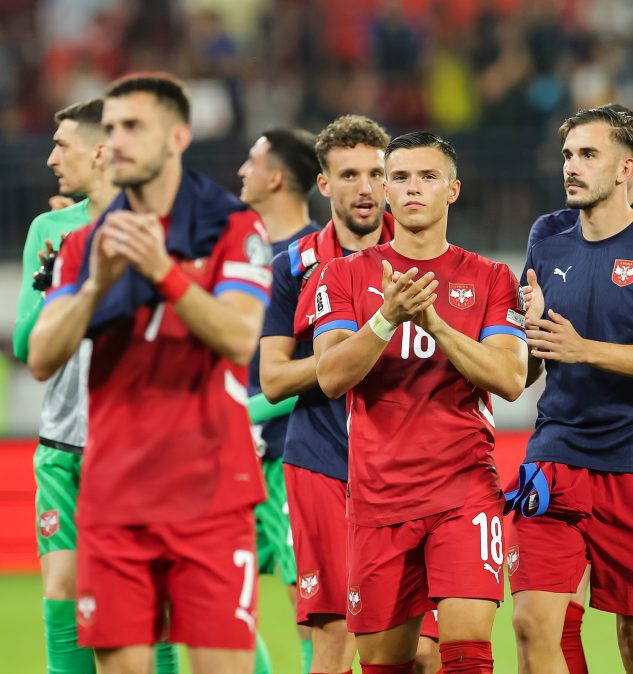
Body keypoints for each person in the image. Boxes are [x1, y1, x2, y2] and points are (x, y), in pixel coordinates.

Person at [28, 73, 271, 674]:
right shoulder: (87, 244)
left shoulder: (232, 227)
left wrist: (162, 270)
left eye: (134, 126)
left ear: (177, 136)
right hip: (114, 499)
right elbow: (40, 356)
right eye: (111, 129)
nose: (118, 141)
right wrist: (95, 286)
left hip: (210, 494)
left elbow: (239, 336)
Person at [312, 131, 528, 674]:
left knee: (467, 651)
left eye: (428, 177)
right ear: (385, 190)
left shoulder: (492, 278)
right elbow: (331, 377)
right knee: (385, 663)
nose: (413, 189)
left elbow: (509, 377)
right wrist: (386, 318)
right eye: (401, 177)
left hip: (465, 490)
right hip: (378, 500)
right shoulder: (341, 275)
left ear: (453, 190)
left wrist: (435, 324)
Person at [510, 106, 633, 674]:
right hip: (552, 457)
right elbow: (529, 373)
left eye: (588, 155)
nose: (571, 166)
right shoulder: (546, 246)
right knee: (530, 624)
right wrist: (531, 339)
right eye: (568, 155)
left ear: (628, 167)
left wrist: (582, 347)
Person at [15, 99, 179, 674]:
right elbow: (25, 345)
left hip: (139, 452)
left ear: (102, 149)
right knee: (62, 592)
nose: (52, 157)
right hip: (62, 446)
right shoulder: (51, 228)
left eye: (63, 144)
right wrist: (53, 280)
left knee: (146, 609)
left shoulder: (161, 229)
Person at [261, 114, 394, 674]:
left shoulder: (423, 257)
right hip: (320, 463)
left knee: (417, 646)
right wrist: (352, 355)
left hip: (403, 463)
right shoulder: (293, 266)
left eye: (375, 174)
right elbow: (273, 379)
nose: (365, 189)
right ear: (323, 184)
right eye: (348, 175)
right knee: (335, 636)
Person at [238, 126, 322, 674]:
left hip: (290, 458)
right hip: (229, 456)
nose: (240, 171)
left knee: (308, 607)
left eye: (251, 161)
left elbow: (321, 373)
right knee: (214, 598)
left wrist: (241, 411)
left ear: (274, 177)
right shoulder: (235, 251)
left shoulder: (316, 259)